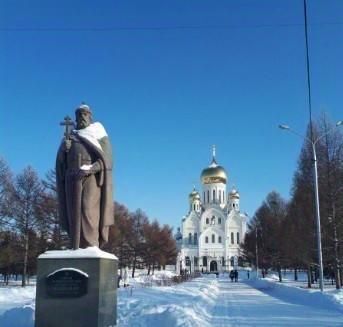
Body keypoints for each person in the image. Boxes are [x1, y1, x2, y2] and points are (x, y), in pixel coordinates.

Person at [56, 104, 114, 249]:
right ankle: (74, 245)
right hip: (71, 177)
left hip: (90, 177)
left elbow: (107, 159)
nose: (82, 118)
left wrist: (91, 169)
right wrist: (64, 150)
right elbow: (60, 164)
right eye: (79, 115)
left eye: (85, 115)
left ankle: (90, 245)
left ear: (90, 116)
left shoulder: (98, 134)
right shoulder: (71, 136)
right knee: (72, 212)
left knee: (88, 209)